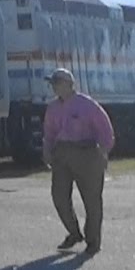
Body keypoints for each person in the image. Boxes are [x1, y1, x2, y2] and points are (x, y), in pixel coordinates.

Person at [41, 67, 115, 256]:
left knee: (92, 200)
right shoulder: (53, 108)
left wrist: (104, 151)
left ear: (68, 84)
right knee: (59, 196)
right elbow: (49, 133)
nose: (53, 88)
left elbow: (104, 128)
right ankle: (74, 232)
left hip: (86, 153)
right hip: (62, 155)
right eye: (52, 84)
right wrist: (47, 151)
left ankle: (93, 241)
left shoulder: (87, 105)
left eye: (56, 83)